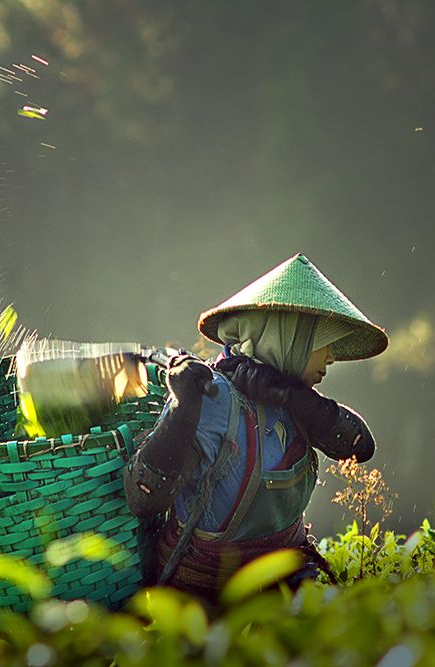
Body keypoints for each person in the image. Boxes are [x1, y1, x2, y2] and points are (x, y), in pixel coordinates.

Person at [123, 253, 388, 603]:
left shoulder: (296, 400)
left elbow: (359, 446)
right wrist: (183, 409)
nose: (330, 358)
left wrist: (290, 395)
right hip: (203, 593)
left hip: (282, 580)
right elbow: (144, 499)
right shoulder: (211, 397)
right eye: (322, 344)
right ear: (289, 338)